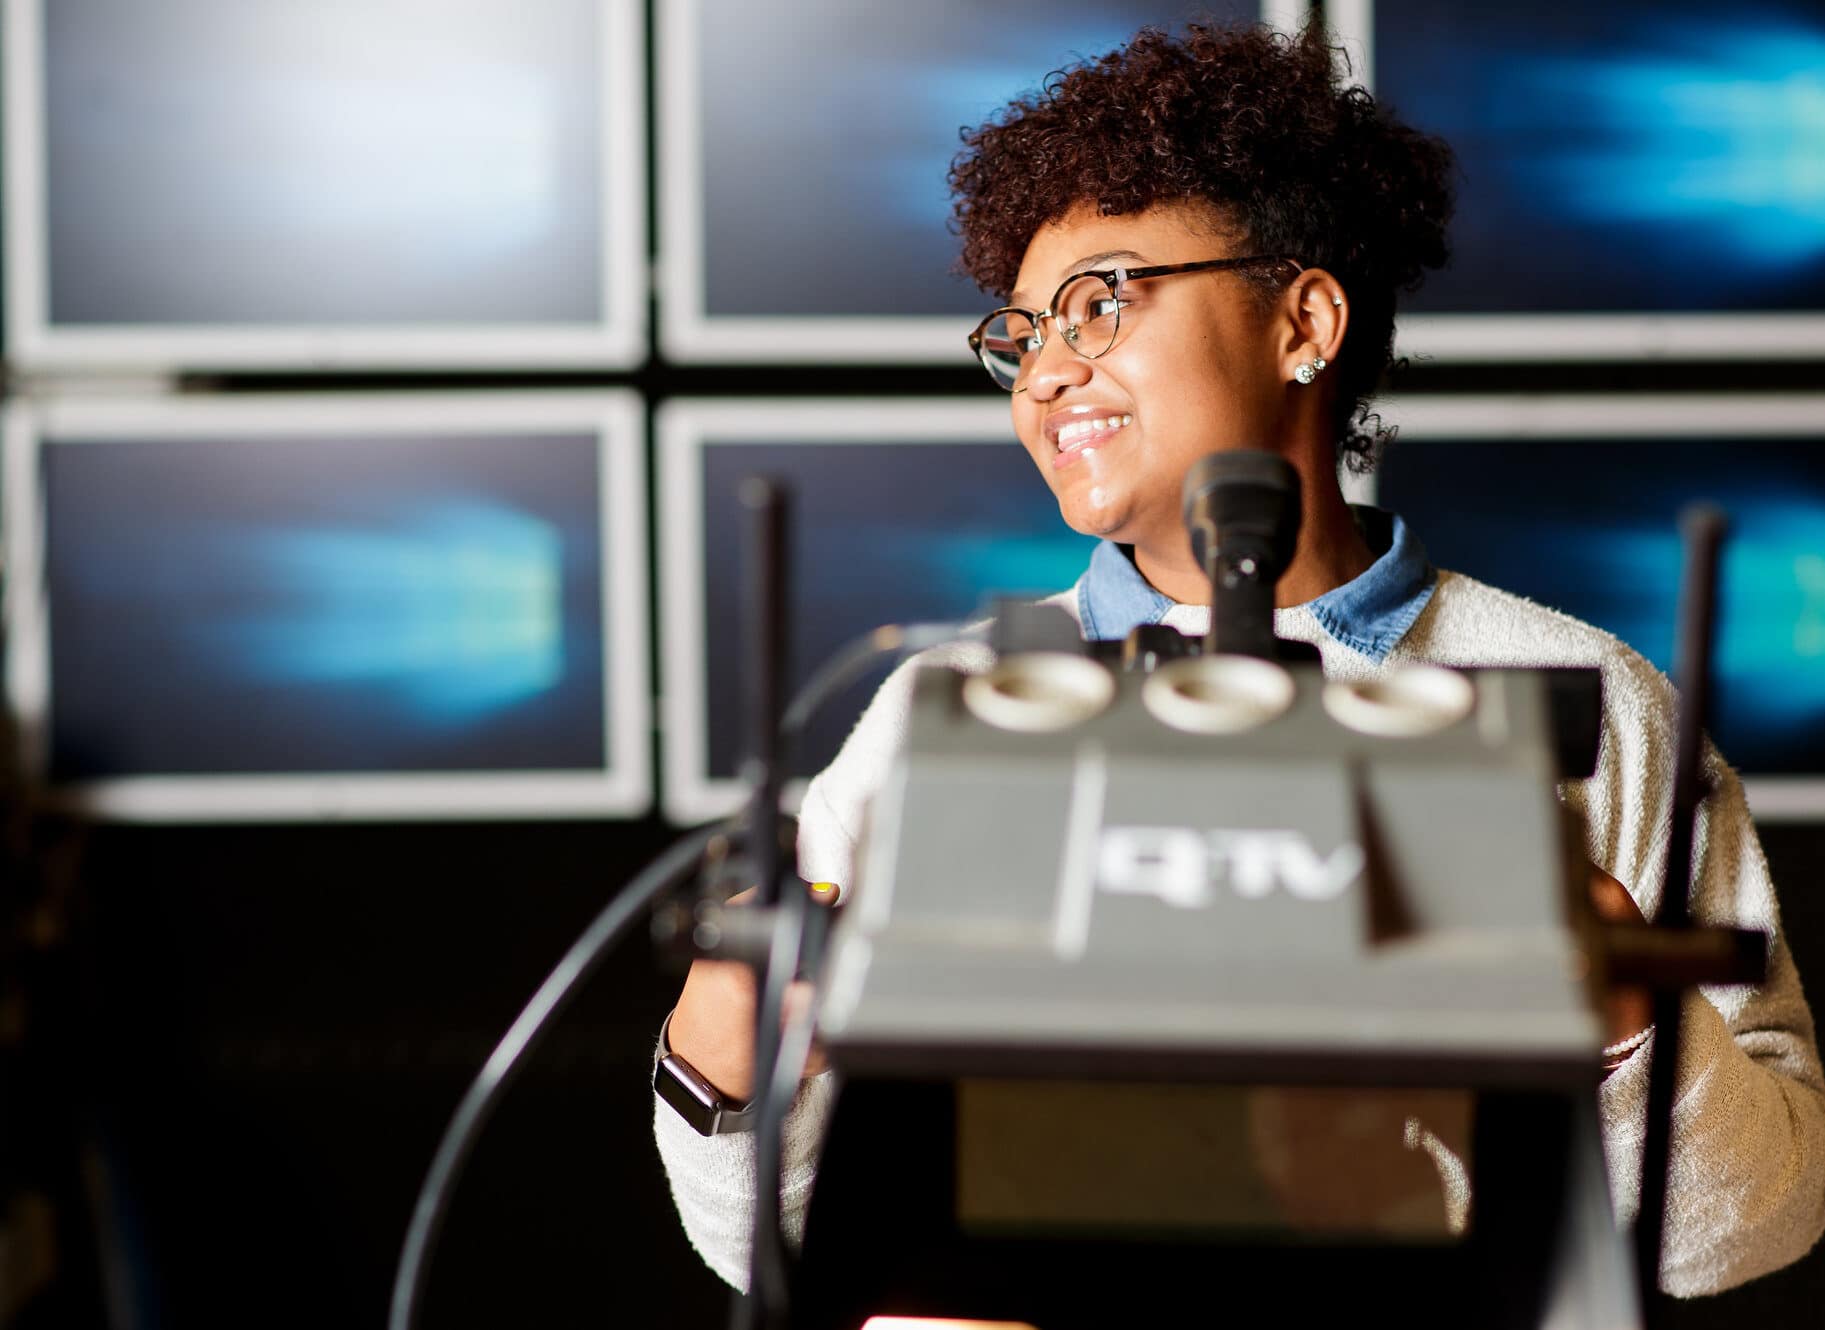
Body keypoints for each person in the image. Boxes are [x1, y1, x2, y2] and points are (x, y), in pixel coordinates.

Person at [653, 19, 1825, 1298]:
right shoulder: (947, 713)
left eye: (1100, 301)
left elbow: (1752, 1227)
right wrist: (722, 1046)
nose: (1047, 371)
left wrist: (1614, 1013)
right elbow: (766, 1232)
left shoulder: (1586, 704)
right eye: (1023, 332)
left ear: (1303, 320)